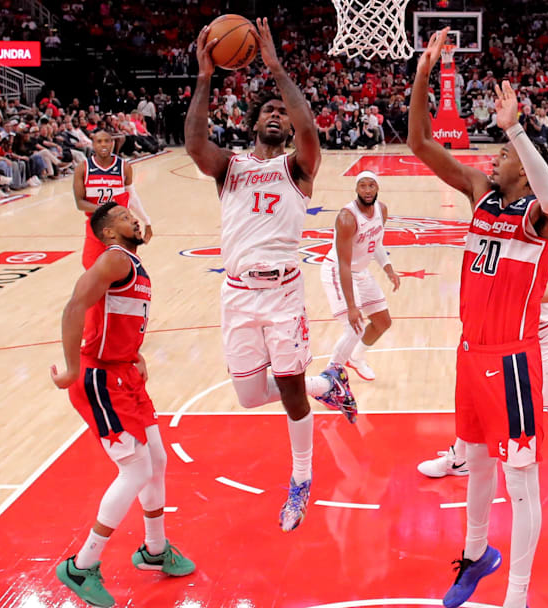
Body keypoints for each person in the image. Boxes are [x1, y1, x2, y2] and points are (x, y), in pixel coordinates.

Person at [407, 28, 548, 608]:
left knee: (521, 483)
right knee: (474, 460)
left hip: (514, 360)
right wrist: (425, 70)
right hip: (470, 352)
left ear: (524, 168)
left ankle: (518, 596)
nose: (490, 159)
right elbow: (419, 142)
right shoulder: (480, 192)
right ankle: (476, 558)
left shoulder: (538, 215)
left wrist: (516, 131)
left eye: (501, 156)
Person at [185, 18, 357, 532]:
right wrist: (204, 75)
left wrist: (278, 70)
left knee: (289, 392)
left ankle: (301, 481)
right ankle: (330, 383)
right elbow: (195, 143)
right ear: (253, 123)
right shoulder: (229, 167)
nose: (278, 115)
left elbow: (309, 129)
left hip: (282, 295)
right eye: (269, 110)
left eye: (282, 111)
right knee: (249, 396)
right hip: (237, 297)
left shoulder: (298, 170)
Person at [51, 203, 195, 608]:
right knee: (136, 469)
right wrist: (70, 367)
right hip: (100, 377)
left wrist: (134, 353)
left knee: (158, 460)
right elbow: (74, 306)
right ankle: (82, 565)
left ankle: (153, 550)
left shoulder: (132, 263)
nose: (133, 217)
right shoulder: (114, 260)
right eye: (122, 216)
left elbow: (117, 318)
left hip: (124, 372)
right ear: (108, 233)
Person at [419, 262, 548, 498]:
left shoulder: (532, 244)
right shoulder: (488, 243)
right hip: (505, 338)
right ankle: (460, 459)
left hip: (542, 338)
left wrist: (521, 298)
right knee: (480, 400)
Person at [320, 170, 400, 381]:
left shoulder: (381, 210)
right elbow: (344, 265)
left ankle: (355, 357)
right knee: (355, 328)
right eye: (362, 185)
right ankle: (329, 379)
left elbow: (376, 242)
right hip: (338, 271)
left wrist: (388, 268)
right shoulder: (347, 218)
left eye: (371, 185)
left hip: (360, 271)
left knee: (383, 322)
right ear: (356, 188)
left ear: (377, 188)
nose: (366, 190)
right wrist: (352, 306)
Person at [73, 130, 153, 268]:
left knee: (127, 267)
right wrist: (106, 210)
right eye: (99, 141)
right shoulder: (83, 168)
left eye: (107, 141)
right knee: (91, 266)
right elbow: (80, 203)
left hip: (121, 226)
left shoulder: (124, 167)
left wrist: (147, 221)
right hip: (96, 225)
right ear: (93, 144)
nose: (103, 145)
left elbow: (132, 197)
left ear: (112, 143)